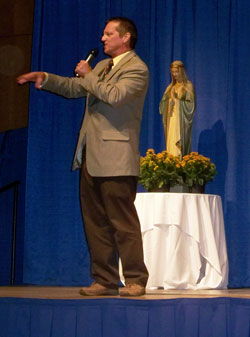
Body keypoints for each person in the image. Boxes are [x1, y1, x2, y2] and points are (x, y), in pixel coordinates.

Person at [17, 17, 149, 296]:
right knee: (96, 222)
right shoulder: (102, 66)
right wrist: (47, 79)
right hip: (90, 156)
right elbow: (75, 88)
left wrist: (89, 75)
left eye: (108, 33)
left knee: (122, 223)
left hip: (116, 158)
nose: (102, 38)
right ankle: (105, 280)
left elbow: (114, 96)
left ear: (125, 37)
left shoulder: (137, 68)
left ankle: (136, 280)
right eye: (103, 33)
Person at [159, 60, 195, 158]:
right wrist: (168, 102)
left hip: (181, 121)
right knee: (171, 144)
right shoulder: (171, 87)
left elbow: (191, 106)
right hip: (172, 118)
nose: (174, 74)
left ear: (182, 71)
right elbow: (162, 105)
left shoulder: (188, 86)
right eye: (173, 72)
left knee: (178, 144)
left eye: (176, 72)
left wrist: (177, 102)